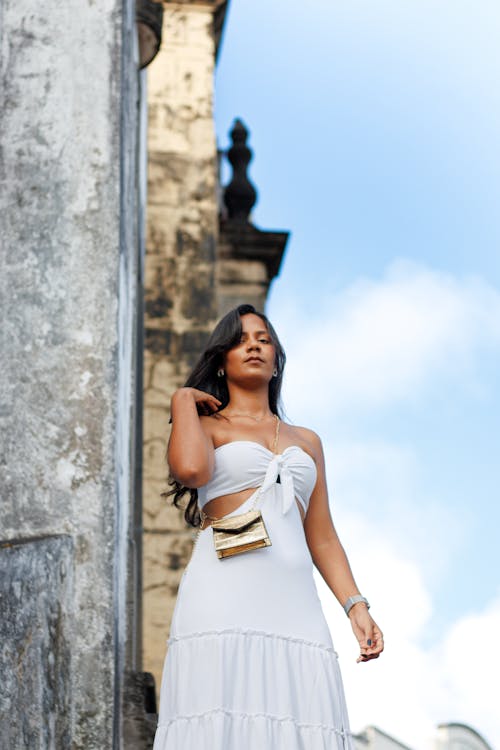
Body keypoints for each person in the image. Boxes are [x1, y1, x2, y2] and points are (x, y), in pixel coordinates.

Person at [153, 303, 384, 750]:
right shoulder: (206, 424)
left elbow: (323, 535)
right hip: (223, 588)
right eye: (240, 340)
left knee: (297, 719)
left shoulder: (307, 441)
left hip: (295, 601)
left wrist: (356, 606)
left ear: (277, 359)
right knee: (221, 714)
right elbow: (190, 471)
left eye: (263, 338)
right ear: (221, 360)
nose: (254, 345)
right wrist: (182, 399)